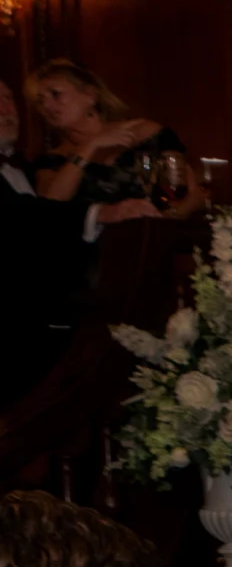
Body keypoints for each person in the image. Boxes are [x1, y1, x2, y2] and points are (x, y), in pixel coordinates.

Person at [2, 81, 160, 406]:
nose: (7, 109)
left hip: (63, 322)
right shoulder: (45, 167)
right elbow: (26, 217)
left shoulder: (22, 169)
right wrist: (103, 212)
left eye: (8, 99)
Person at [21, 60, 205, 219]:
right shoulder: (51, 160)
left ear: (90, 95)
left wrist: (158, 223)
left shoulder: (144, 133)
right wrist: (89, 146)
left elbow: (187, 193)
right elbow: (49, 207)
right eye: (40, 100)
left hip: (155, 241)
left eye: (55, 94)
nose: (47, 106)